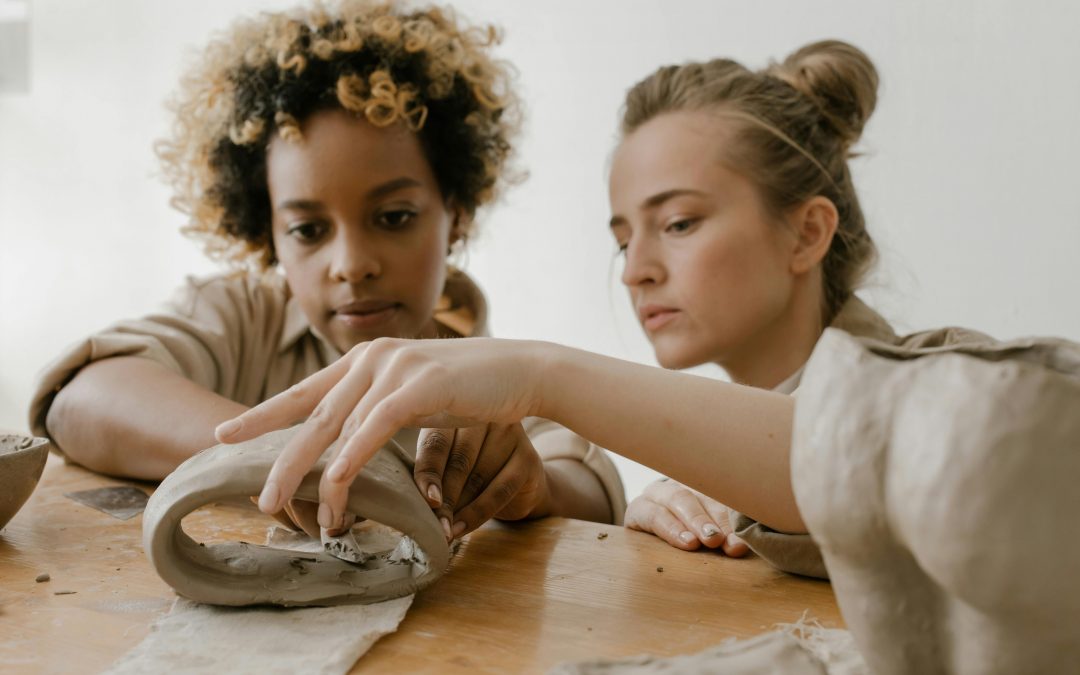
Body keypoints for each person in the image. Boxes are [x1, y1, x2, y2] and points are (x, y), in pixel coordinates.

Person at [218, 39, 975, 578]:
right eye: (623, 240)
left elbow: (846, 457)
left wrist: (538, 372)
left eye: (678, 223)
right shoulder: (719, 467)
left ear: (807, 232)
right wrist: (671, 514)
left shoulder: (958, 383)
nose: (637, 271)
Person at [28, 0, 625, 540]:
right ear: (266, 234)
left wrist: (534, 489)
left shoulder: (497, 377)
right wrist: (287, 448)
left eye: (393, 217)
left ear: (457, 212)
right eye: (308, 231)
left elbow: (594, 489)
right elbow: (81, 398)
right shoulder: (241, 317)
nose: (351, 265)